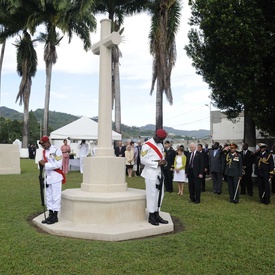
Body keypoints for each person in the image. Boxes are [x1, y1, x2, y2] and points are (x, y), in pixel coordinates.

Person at [140, 129, 169, 226]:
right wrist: (156, 163)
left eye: (162, 139)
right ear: (155, 135)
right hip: (150, 173)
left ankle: (157, 213)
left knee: (160, 194)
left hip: (159, 173)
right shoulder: (146, 145)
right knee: (151, 194)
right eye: (159, 138)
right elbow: (143, 160)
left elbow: (162, 157)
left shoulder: (160, 145)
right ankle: (151, 215)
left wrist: (163, 162)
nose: (160, 141)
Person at [39, 136, 65, 224]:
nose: (43, 146)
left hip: (56, 176)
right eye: (42, 145)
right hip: (48, 177)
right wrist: (41, 164)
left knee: (55, 197)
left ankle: (55, 216)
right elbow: (42, 162)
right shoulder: (44, 152)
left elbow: (58, 164)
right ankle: (50, 214)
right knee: (48, 196)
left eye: (44, 144)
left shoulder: (56, 150)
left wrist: (45, 165)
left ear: (48, 142)